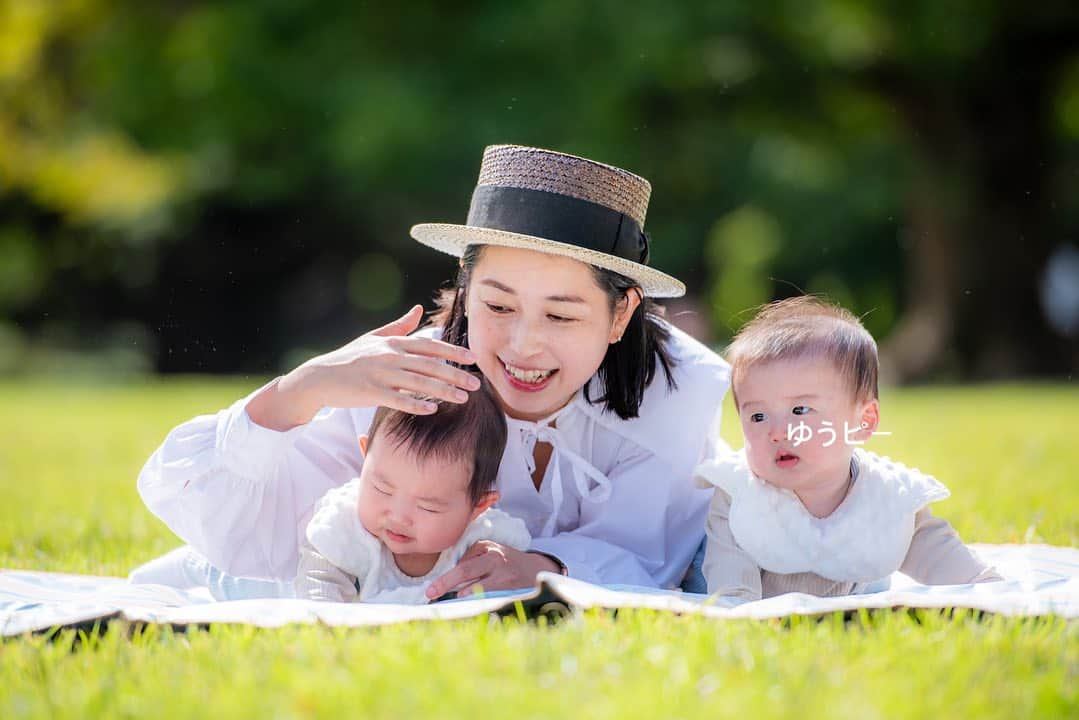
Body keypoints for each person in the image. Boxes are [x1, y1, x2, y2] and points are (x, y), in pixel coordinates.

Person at [132, 144, 731, 599]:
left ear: (620, 311)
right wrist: (307, 385)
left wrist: (541, 568)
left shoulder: (679, 389)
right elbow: (246, 523)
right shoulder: (403, 374)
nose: (523, 345)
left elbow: (652, 551)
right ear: (465, 290)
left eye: (561, 314)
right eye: (497, 306)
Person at [696, 296, 1002, 601]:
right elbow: (730, 585)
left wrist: (987, 586)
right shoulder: (740, 495)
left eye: (800, 410)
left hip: (858, 587)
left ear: (863, 422)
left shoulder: (886, 495)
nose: (777, 432)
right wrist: (738, 608)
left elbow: (937, 552)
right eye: (758, 416)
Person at [295, 379, 530, 604]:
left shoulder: (484, 540)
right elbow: (318, 586)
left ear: (477, 508)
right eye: (382, 489)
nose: (398, 517)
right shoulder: (346, 525)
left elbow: (519, 584)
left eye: (429, 506)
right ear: (365, 456)